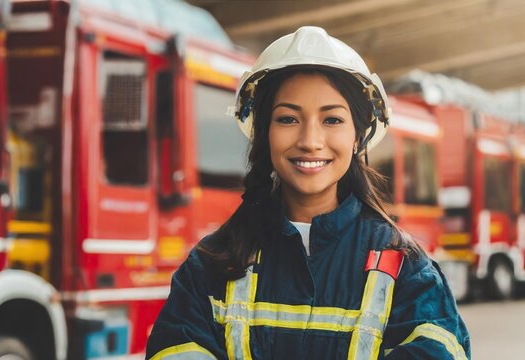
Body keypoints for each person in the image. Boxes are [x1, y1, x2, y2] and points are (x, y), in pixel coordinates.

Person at [146, 26, 470, 360]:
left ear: (358, 137)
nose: (310, 140)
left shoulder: (408, 269)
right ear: (264, 134)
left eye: (331, 120)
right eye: (288, 119)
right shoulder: (210, 264)